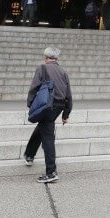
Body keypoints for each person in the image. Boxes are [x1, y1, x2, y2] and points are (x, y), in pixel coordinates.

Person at [23, 46, 73, 183]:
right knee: (43, 126)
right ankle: (29, 154)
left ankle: (51, 172)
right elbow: (69, 94)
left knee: (48, 138)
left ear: (46, 57)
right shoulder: (63, 71)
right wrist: (66, 114)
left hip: (46, 106)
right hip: (58, 107)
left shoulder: (42, 68)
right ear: (56, 58)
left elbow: (34, 88)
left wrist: (31, 105)